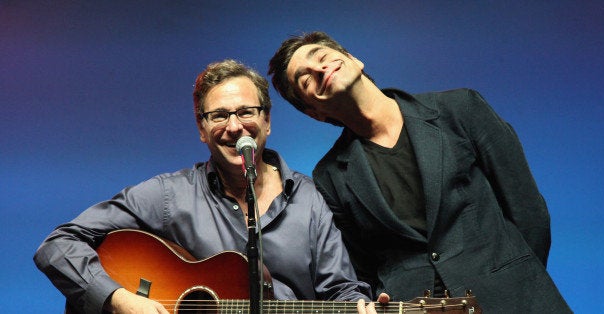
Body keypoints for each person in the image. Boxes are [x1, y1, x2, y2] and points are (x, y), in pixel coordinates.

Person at [34, 59, 380, 313]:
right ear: (202, 129)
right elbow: (58, 245)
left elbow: (340, 290)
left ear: (267, 121)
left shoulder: (310, 199)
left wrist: (361, 307)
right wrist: (118, 299)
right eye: (218, 115)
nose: (234, 126)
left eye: (246, 111)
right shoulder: (170, 196)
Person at [268, 31, 572, 313]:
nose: (320, 70)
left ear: (355, 60)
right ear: (314, 112)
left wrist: (516, 281)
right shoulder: (329, 176)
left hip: (515, 298)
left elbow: (528, 211)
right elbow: (361, 269)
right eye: (305, 79)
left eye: (322, 57)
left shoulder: (460, 109)